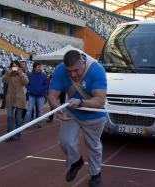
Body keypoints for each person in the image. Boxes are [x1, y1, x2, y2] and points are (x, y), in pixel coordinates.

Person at [47, 50, 107, 187]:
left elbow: (100, 101)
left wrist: (81, 102)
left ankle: (95, 174)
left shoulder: (97, 70)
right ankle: (76, 161)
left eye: (76, 70)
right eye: (69, 71)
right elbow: (52, 95)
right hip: (72, 113)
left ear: (83, 63)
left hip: (94, 114)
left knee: (93, 146)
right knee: (65, 142)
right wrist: (58, 109)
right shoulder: (60, 70)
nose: (72, 74)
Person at [3, 61, 29, 140]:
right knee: (9, 117)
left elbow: (26, 82)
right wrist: (8, 73)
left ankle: (18, 134)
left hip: (19, 98)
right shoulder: (9, 74)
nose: (14, 68)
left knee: (18, 118)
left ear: (19, 67)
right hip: (10, 98)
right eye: (13, 66)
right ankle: (9, 135)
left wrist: (20, 73)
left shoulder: (22, 74)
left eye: (16, 66)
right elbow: (4, 81)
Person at [25, 62, 48, 128]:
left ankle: (40, 123)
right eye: (38, 67)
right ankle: (27, 124)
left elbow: (46, 85)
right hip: (31, 95)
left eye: (40, 67)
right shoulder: (30, 75)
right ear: (34, 68)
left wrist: (41, 89)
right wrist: (30, 88)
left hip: (40, 96)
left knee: (40, 110)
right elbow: (26, 83)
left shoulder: (43, 75)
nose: (39, 68)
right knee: (29, 110)